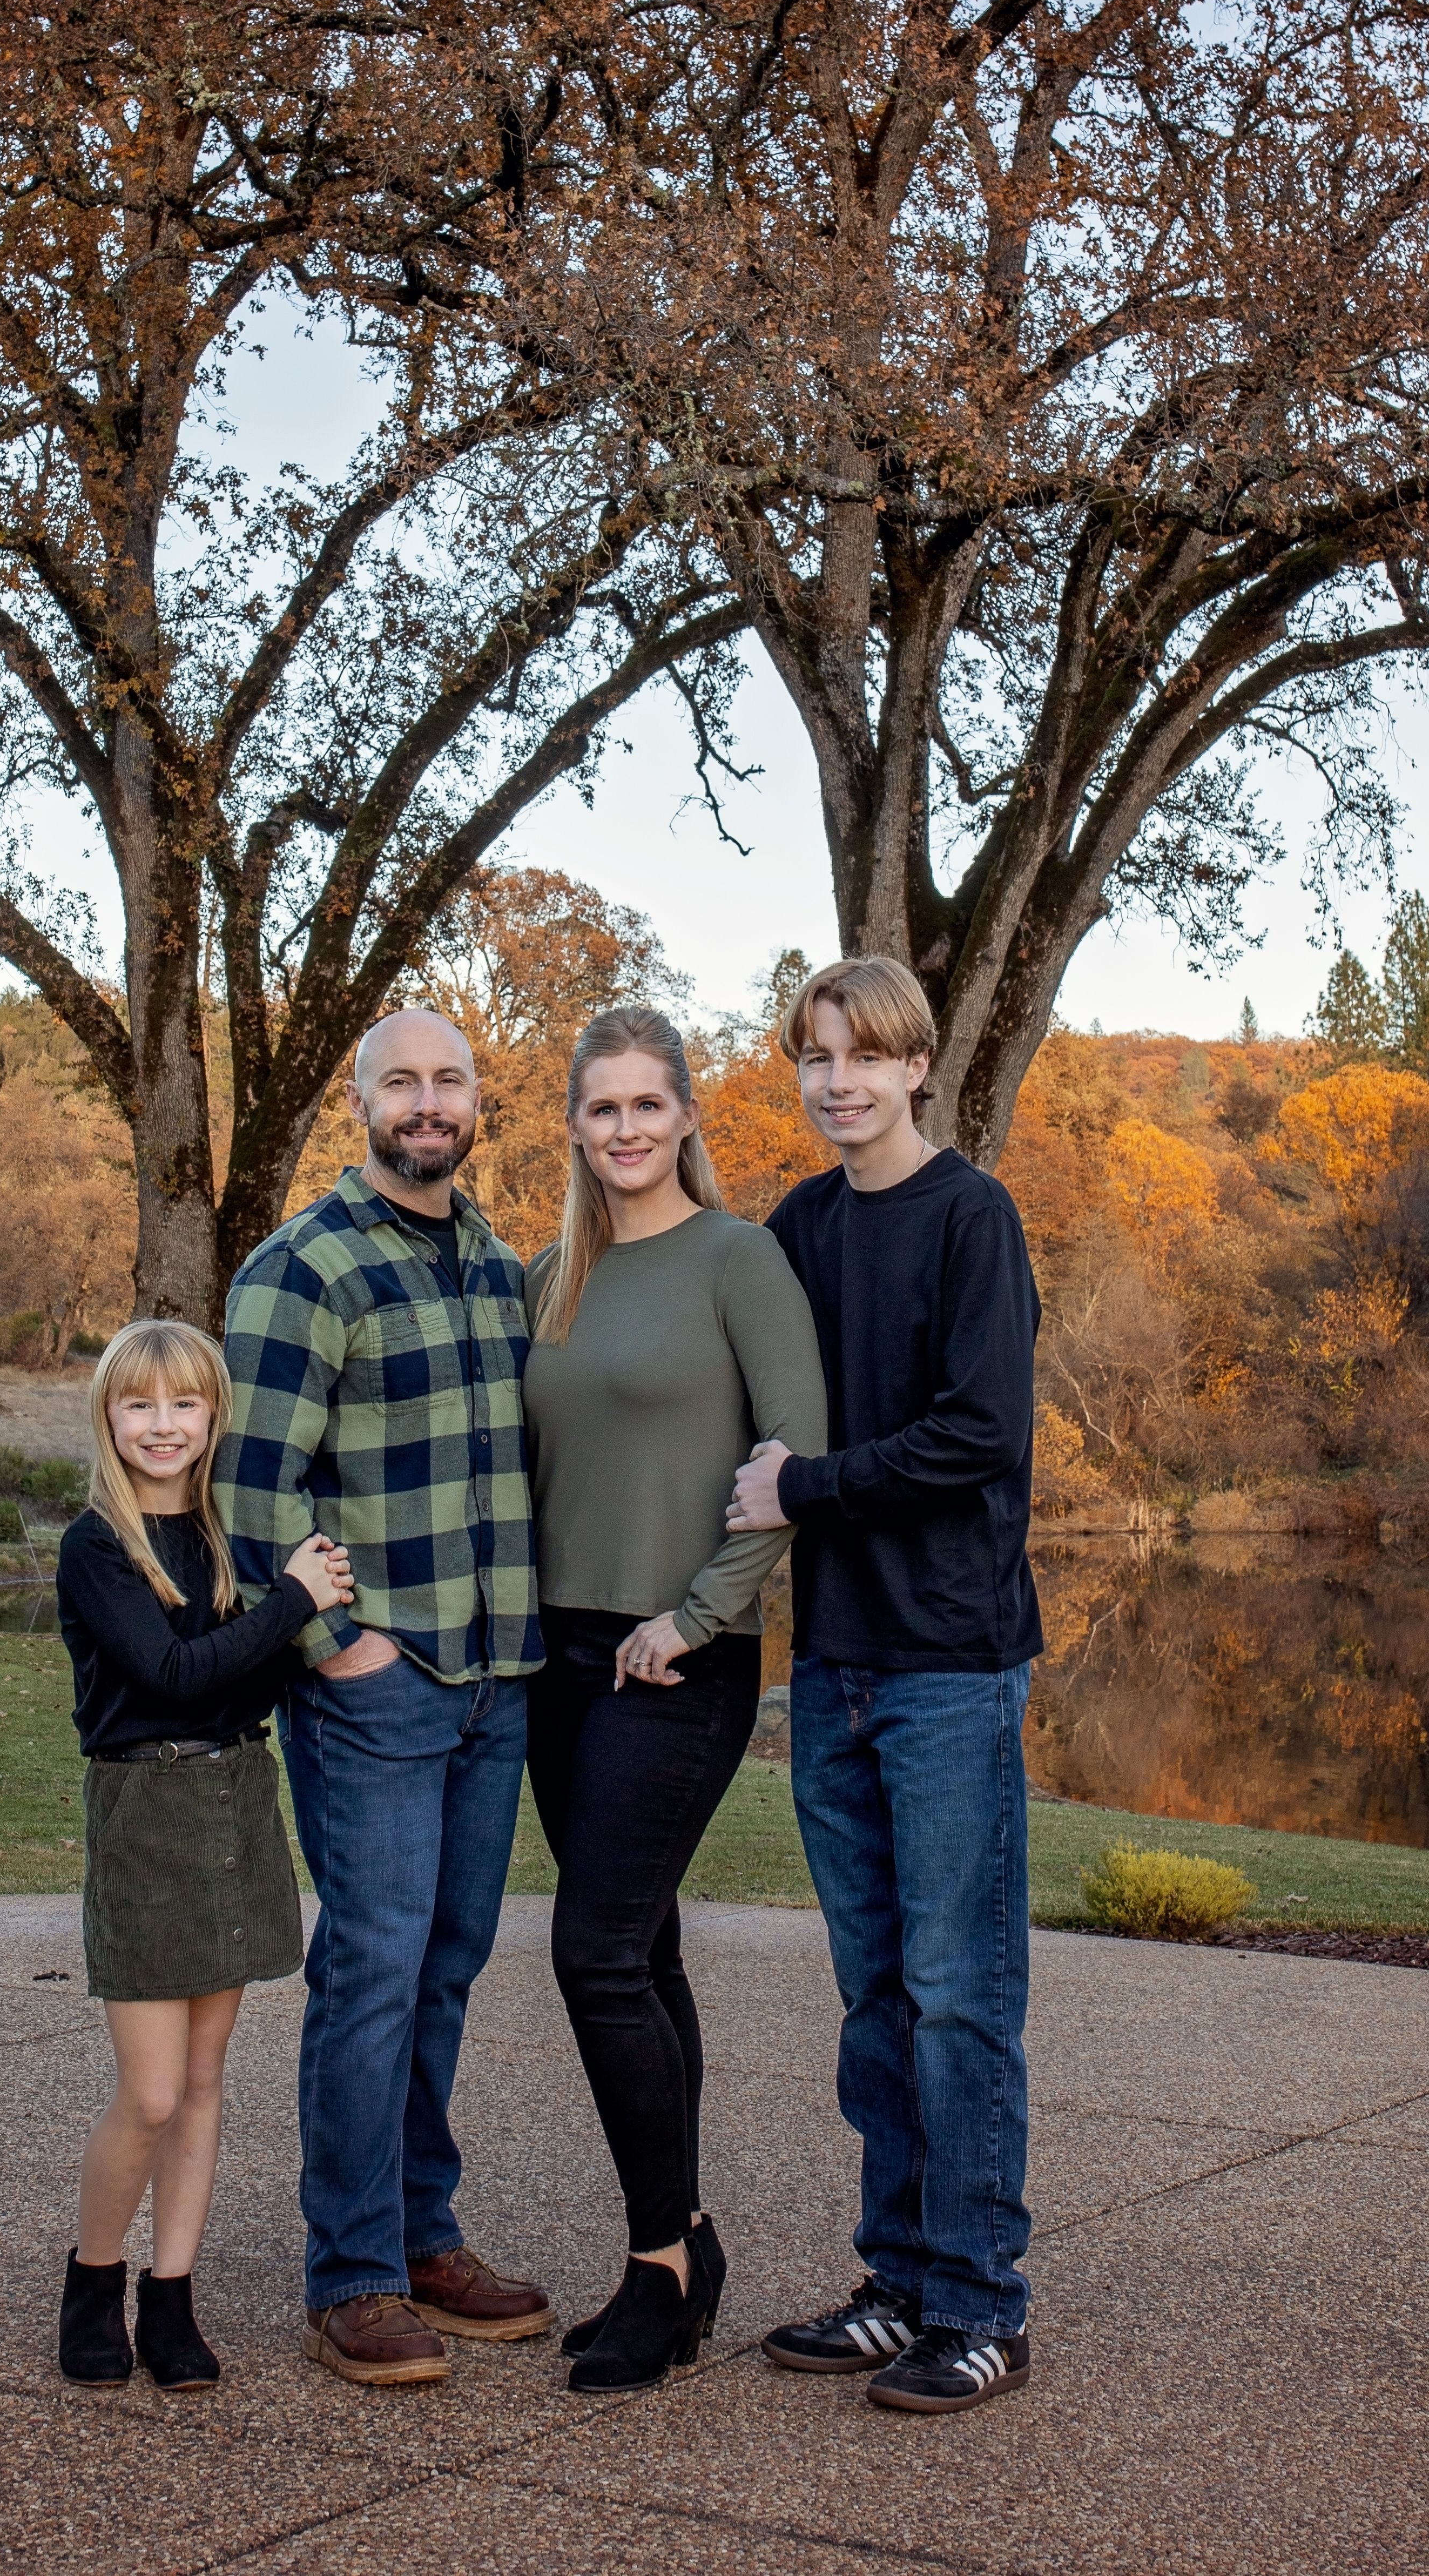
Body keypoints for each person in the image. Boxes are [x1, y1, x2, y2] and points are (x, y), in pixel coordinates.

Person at [215, 1008, 552, 2387]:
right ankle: (350, 2270)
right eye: (400, 1082)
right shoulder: (302, 1266)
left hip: (495, 1676)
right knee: (370, 1971)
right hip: (379, 1684)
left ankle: (423, 2234)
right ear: (360, 1102)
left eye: (448, 1079)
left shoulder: (499, 1265)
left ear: (479, 1099)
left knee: (450, 1967)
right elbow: (249, 1489)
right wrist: (332, 1642)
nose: (428, 1102)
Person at [729, 957, 1042, 2417]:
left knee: (956, 1996)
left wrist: (804, 1490)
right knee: (872, 1997)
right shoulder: (795, 1227)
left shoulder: (971, 1220)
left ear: (917, 1069)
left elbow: (974, 1436)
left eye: (865, 1057)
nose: (838, 1081)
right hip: (836, 1662)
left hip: (950, 1668)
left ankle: (979, 2305)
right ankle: (899, 2281)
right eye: (815, 1058)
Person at [522, 1006, 826, 2395]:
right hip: (560, 1663)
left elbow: (793, 1459)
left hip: (680, 1657)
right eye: (603, 1109)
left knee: (590, 1953)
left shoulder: (737, 1258)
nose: (627, 1129)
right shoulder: (552, 1278)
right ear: (576, 1126)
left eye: (650, 1104)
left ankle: (656, 2264)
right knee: (639, 1954)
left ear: (687, 1116)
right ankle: (688, 2247)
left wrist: (697, 1617)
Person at [56, 1317, 357, 2393]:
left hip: (235, 1796)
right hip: (146, 1810)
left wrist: (283, 1615)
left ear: (213, 1414)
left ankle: (170, 2296)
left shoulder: (227, 1535)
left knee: (202, 2083)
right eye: (140, 1404)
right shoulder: (97, 1542)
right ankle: (94, 2281)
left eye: (184, 1403)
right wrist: (292, 1602)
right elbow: (175, 1674)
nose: (163, 1425)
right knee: (147, 2092)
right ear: (109, 1415)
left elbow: (245, 1686)